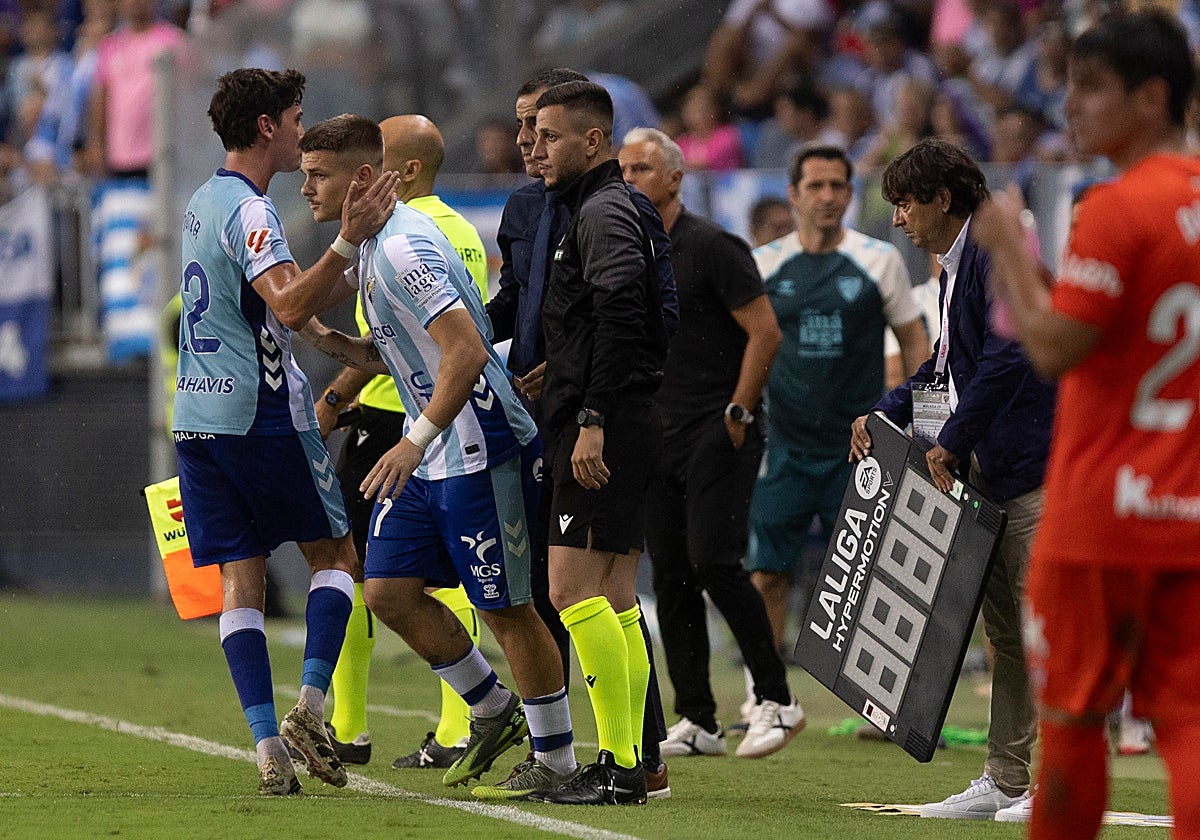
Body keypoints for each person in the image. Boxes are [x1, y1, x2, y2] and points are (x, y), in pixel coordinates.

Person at [296, 114, 578, 803]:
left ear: (368, 179)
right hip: (433, 448)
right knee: (387, 590)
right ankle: (489, 708)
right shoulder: (373, 248)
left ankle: (560, 761)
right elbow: (396, 352)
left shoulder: (402, 250)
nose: (305, 188)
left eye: (317, 176)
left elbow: (467, 351)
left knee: (507, 607)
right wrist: (327, 338)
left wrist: (411, 441)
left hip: (480, 444)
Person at [970, 10, 1200, 836]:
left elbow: (1054, 347)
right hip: (1189, 519)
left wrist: (1006, 250)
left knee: (1070, 726)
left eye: (1092, 88)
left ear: (1153, 96)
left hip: (1101, 519)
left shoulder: (1117, 206)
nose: (1072, 107)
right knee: (1188, 723)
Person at [173, 67, 400, 796]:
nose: (303, 133)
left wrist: (357, 257)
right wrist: (350, 239)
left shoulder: (204, 201)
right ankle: (311, 707)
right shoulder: (252, 211)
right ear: (269, 126)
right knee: (336, 556)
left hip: (197, 418)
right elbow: (291, 305)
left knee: (241, 576)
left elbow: (279, 298)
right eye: (297, 119)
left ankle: (268, 749)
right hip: (259, 414)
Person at [849, 137, 1055, 821]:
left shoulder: (997, 255)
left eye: (906, 204)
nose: (900, 218)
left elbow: (1012, 357)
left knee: (1044, 634)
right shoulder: (955, 264)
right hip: (994, 476)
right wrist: (885, 410)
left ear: (943, 199)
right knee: (1009, 638)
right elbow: (947, 365)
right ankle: (1006, 779)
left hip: (1031, 471)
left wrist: (953, 441)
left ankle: (1055, 783)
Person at [487, 67, 673, 799]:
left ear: (594, 140)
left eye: (550, 135)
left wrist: (591, 418)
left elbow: (625, 317)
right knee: (617, 596)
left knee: (568, 592)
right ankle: (629, 762)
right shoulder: (601, 208)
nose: (533, 146)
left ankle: (623, 763)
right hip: (622, 419)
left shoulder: (601, 213)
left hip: (603, 426)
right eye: (530, 133)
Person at [309, 114, 492, 770]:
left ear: (406, 171)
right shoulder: (463, 230)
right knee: (451, 579)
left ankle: (352, 727)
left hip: (398, 423)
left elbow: (401, 341)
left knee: (359, 571)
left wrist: (332, 400)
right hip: (439, 421)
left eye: (375, 159)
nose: (364, 173)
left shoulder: (402, 237)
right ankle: (460, 727)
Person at [618, 126, 807, 760]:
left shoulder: (712, 246)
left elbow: (766, 331)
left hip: (714, 429)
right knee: (670, 574)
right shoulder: (630, 252)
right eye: (623, 172)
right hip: (656, 434)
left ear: (674, 177)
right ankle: (698, 718)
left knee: (715, 564)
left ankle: (777, 699)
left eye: (641, 169)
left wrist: (738, 412)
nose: (629, 181)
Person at [750, 142, 927, 662]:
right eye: (815, 186)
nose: (827, 197)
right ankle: (767, 696)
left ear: (851, 194)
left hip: (860, 448)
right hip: (780, 444)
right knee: (767, 573)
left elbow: (914, 341)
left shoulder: (880, 260)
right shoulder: (762, 265)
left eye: (837, 186)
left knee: (867, 580)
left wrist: (917, 415)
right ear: (793, 195)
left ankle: (870, 702)